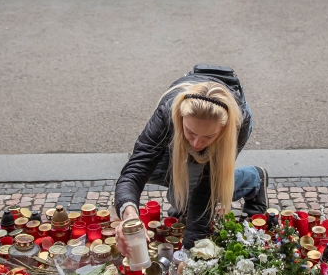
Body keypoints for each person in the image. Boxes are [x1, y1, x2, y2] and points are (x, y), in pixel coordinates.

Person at [113, 66, 267, 253]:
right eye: (190, 133)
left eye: (207, 137)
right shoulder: (168, 112)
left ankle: (253, 179)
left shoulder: (236, 125)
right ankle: (184, 198)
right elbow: (136, 169)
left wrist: (190, 250)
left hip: (232, 118)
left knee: (188, 193)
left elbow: (207, 187)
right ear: (180, 118)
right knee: (154, 171)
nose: (196, 144)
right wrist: (129, 215)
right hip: (180, 124)